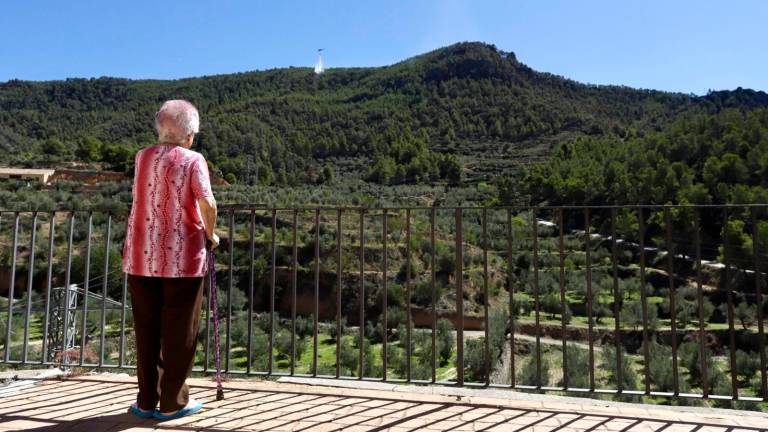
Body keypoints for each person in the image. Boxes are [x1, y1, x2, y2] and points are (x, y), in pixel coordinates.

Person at [122, 100, 219, 421]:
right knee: (179, 330)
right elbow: (208, 202)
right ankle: (173, 402)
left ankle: (146, 401)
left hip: (139, 255)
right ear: (189, 135)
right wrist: (212, 233)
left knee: (146, 328)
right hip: (183, 259)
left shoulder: (142, 157)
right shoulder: (193, 159)